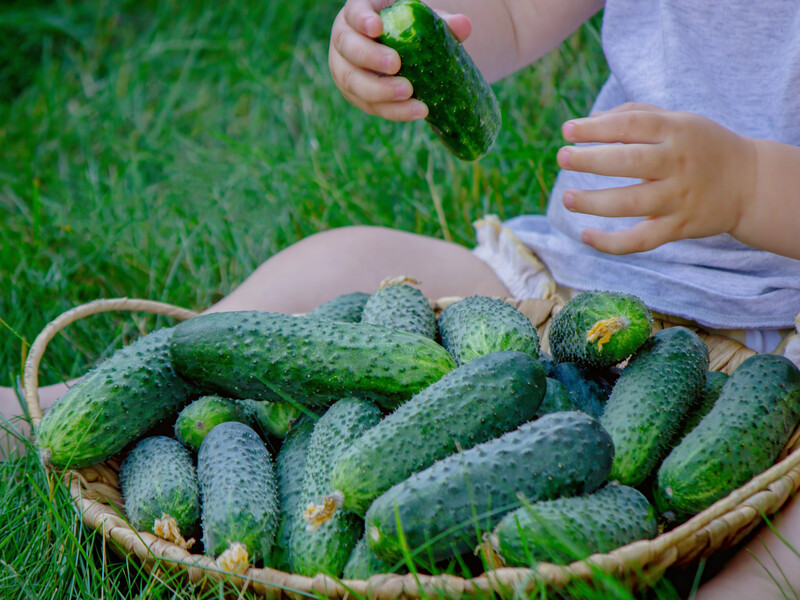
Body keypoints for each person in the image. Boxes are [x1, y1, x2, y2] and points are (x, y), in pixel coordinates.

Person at [2, 0, 800, 596]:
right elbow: (517, 17)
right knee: (347, 259)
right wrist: (416, 38)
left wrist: (751, 187)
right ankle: (57, 407)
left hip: (783, 340)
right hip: (564, 288)